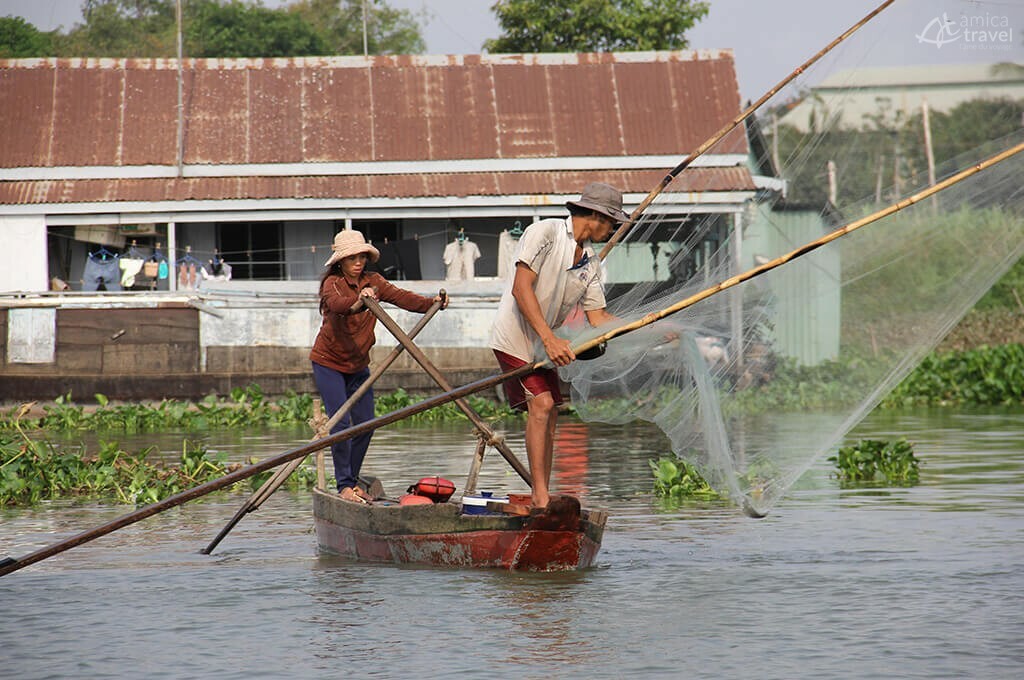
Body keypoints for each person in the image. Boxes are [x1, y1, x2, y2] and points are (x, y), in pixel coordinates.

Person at [489, 182, 628, 508]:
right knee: (542, 404)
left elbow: (598, 318)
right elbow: (521, 288)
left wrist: (648, 325)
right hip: (514, 336)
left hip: (541, 344)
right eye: (611, 222)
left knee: (551, 412)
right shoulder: (546, 233)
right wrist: (549, 339)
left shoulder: (590, 263)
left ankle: (542, 492)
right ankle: (540, 496)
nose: (611, 230)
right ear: (596, 216)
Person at [311, 229, 447, 503]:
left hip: (358, 365)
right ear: (340, 262)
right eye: (352, 258)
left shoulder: (374, 282)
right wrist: (362, 300)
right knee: (340, 426)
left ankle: (352, 480)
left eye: (361, 257)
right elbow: (340, 305)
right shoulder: (332, 284)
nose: (358, 262)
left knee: (366, 424)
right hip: (329, 363)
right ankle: (344, 486)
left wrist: (432, 303)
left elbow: (402, 297)